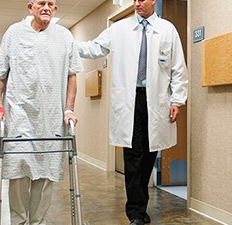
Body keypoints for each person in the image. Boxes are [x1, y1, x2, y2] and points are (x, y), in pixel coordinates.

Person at [77, 0, 188, 224]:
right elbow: (94, 48)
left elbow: (177, 67)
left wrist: (177, 100)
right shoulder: (119, 29)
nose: (136, 3)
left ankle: (141, 203)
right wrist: (66, 43)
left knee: (149, 152)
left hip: (157, 99)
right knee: (133, 154)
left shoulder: (167, 29)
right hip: (130, 99)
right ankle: (136, 212)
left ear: (153, 1)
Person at [0, 0, 83, 224]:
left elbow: (72, 75)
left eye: (51, 4)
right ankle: (18, 221)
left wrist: (69, 108)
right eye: (42, 3)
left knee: (46, 174)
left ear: (56, 10)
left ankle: (37, 222)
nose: (46, 7)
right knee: (19, 171)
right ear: (30, 7)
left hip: (51, 118)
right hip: (19, 116)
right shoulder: (14, 33)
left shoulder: (64, 36)